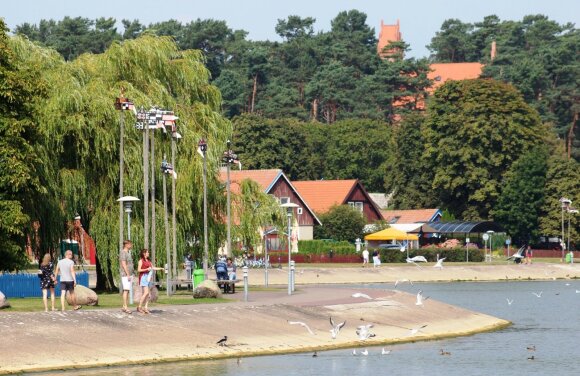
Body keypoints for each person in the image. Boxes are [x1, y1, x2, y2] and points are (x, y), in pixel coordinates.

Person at [136, 249, 163, 314]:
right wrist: (146, 269)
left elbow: (153, 267)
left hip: (148, 278)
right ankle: (139, 307)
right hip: (143, 277)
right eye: (147, 252)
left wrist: (160, 268)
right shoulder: (141, 261)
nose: (148, 253)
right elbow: (139, 270)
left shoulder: (149, 261)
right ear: (144, 253)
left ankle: (145, 307)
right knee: (146, 293)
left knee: (148, 294)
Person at [119, 240, 134, 314]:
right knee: (126, 290)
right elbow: (124, 264)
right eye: (130, 244)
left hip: (130, 274)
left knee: (127, 290)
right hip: (125, 275)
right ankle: (125, 307)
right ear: (126, 244)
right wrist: (127, 274)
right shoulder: (123, 253)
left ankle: (124, 306)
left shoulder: (128, 253)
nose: (131, 245)